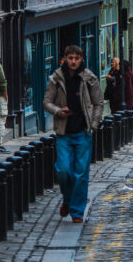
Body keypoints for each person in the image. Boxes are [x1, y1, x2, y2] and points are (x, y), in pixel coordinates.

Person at [43, 44, 104, 224]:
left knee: (80, 174)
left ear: (81, 59)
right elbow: (47, 102)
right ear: (65, 58)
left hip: (83, 132)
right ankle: (68, 200)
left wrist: (93, 124)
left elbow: (98, 102)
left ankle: (77, 211)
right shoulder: (56, 78)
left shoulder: (89, 78)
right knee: (63, 171)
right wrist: (59, 111)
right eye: (70, 58)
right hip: (64, 132)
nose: (74, 61)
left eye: (77, 58)